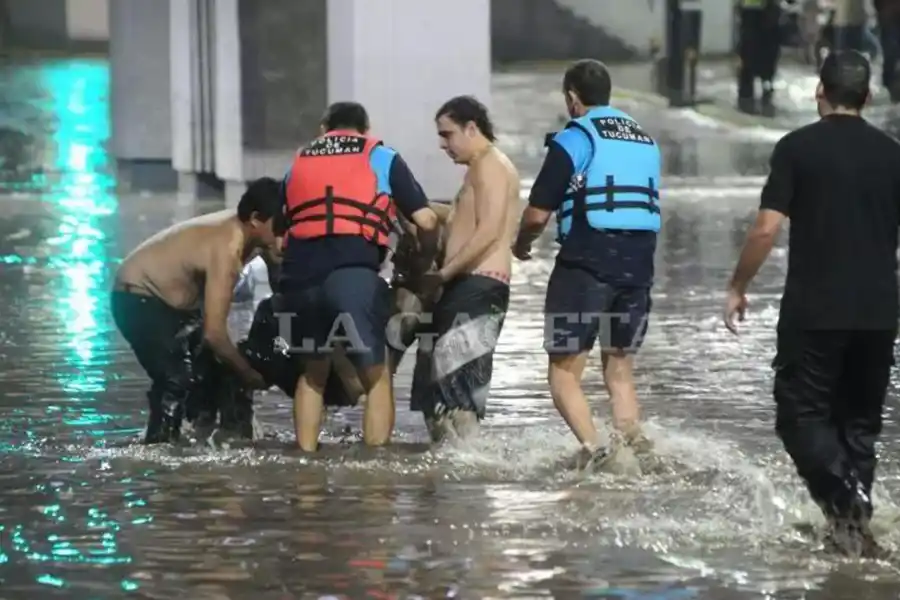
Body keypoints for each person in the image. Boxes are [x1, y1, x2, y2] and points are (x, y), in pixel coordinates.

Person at [724, 51, 898, 558]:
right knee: (858, 426)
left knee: (799, 415)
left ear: (818, 92)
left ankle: (848, 506)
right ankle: (850, 536)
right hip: (879, 313)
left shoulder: (796, 148)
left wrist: (738, 285)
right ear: (867, 98)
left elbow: (765, 228)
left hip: (816, 309)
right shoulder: (894, 154)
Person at [513, 59, 659, 472]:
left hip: (588, 261)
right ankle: (636, 448)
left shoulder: (575, 137)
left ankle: (597, 452)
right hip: (639, 264)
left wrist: (521, 245)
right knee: (619, 368)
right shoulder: (643, 137)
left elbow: (538, 213)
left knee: (563, 372)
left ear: (573, 98)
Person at [281, 101, 439, 452]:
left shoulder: (298, 161)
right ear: (365, 130)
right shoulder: (380, 155)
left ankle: (305, 467)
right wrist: (423, 256)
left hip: (299, 279)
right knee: (376, 376)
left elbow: (283, 227)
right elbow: (427, 220)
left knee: (312, 374)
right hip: (352, 276)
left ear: (324, 129)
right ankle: (375, 475)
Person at [111, 178, 284, 444]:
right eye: (281, 225)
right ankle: (160, 452)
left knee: (216, 370)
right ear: (255, 219)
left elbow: (281, 290)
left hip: (175, 305)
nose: (286, 234)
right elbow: (214, 334)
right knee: (177, 379)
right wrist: (249, 374)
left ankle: (225, 440)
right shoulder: (227, 249)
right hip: (138, 297)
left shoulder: (250, 234)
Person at [412, 95, 518, 443]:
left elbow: (488, 230)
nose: (443, 144)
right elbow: (461, 221)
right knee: (440, 396)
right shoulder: (478, 170)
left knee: (459, 398)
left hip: (478, 286)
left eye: (448, 134)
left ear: (472, 128)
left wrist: (443, 274)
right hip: (464, 287)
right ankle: (449, 486)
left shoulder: (491, 164)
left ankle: (468, 486)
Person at [736, 0, 783, 117]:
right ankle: (761, 99)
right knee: (765, 65)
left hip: (757, 18)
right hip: (763, 18)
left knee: (751, 62)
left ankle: (748, 99)